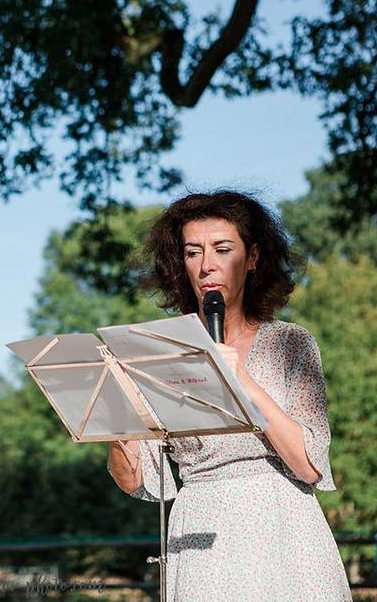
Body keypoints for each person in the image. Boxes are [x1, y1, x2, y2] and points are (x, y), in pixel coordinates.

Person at [107, 191, 352, 601]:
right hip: (202, 537)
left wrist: (242, 380)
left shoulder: (290, 344)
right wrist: (115, 415)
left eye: (222, 249)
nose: (206, 266)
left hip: (284, 530)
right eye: (192, 252)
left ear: (252, 257)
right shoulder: (165, 354)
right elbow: (135, 479)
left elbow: (310, 466)